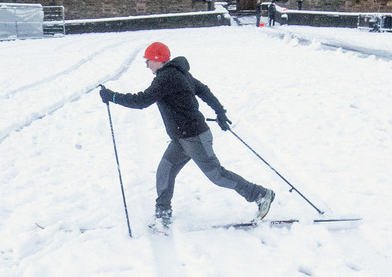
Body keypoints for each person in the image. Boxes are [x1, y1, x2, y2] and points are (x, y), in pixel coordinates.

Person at [99, 41, 274, 228]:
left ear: (158, 60)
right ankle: (163, 213)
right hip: (180, 139)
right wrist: (219, 112)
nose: (147, 65)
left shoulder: (167, 78)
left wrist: (113, 97)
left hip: (194, 136)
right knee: (165, 171)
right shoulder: (178, 74)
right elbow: (203, 90)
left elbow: (141, 101)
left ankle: (260, 194)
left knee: (217, 175)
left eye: (148, 60)